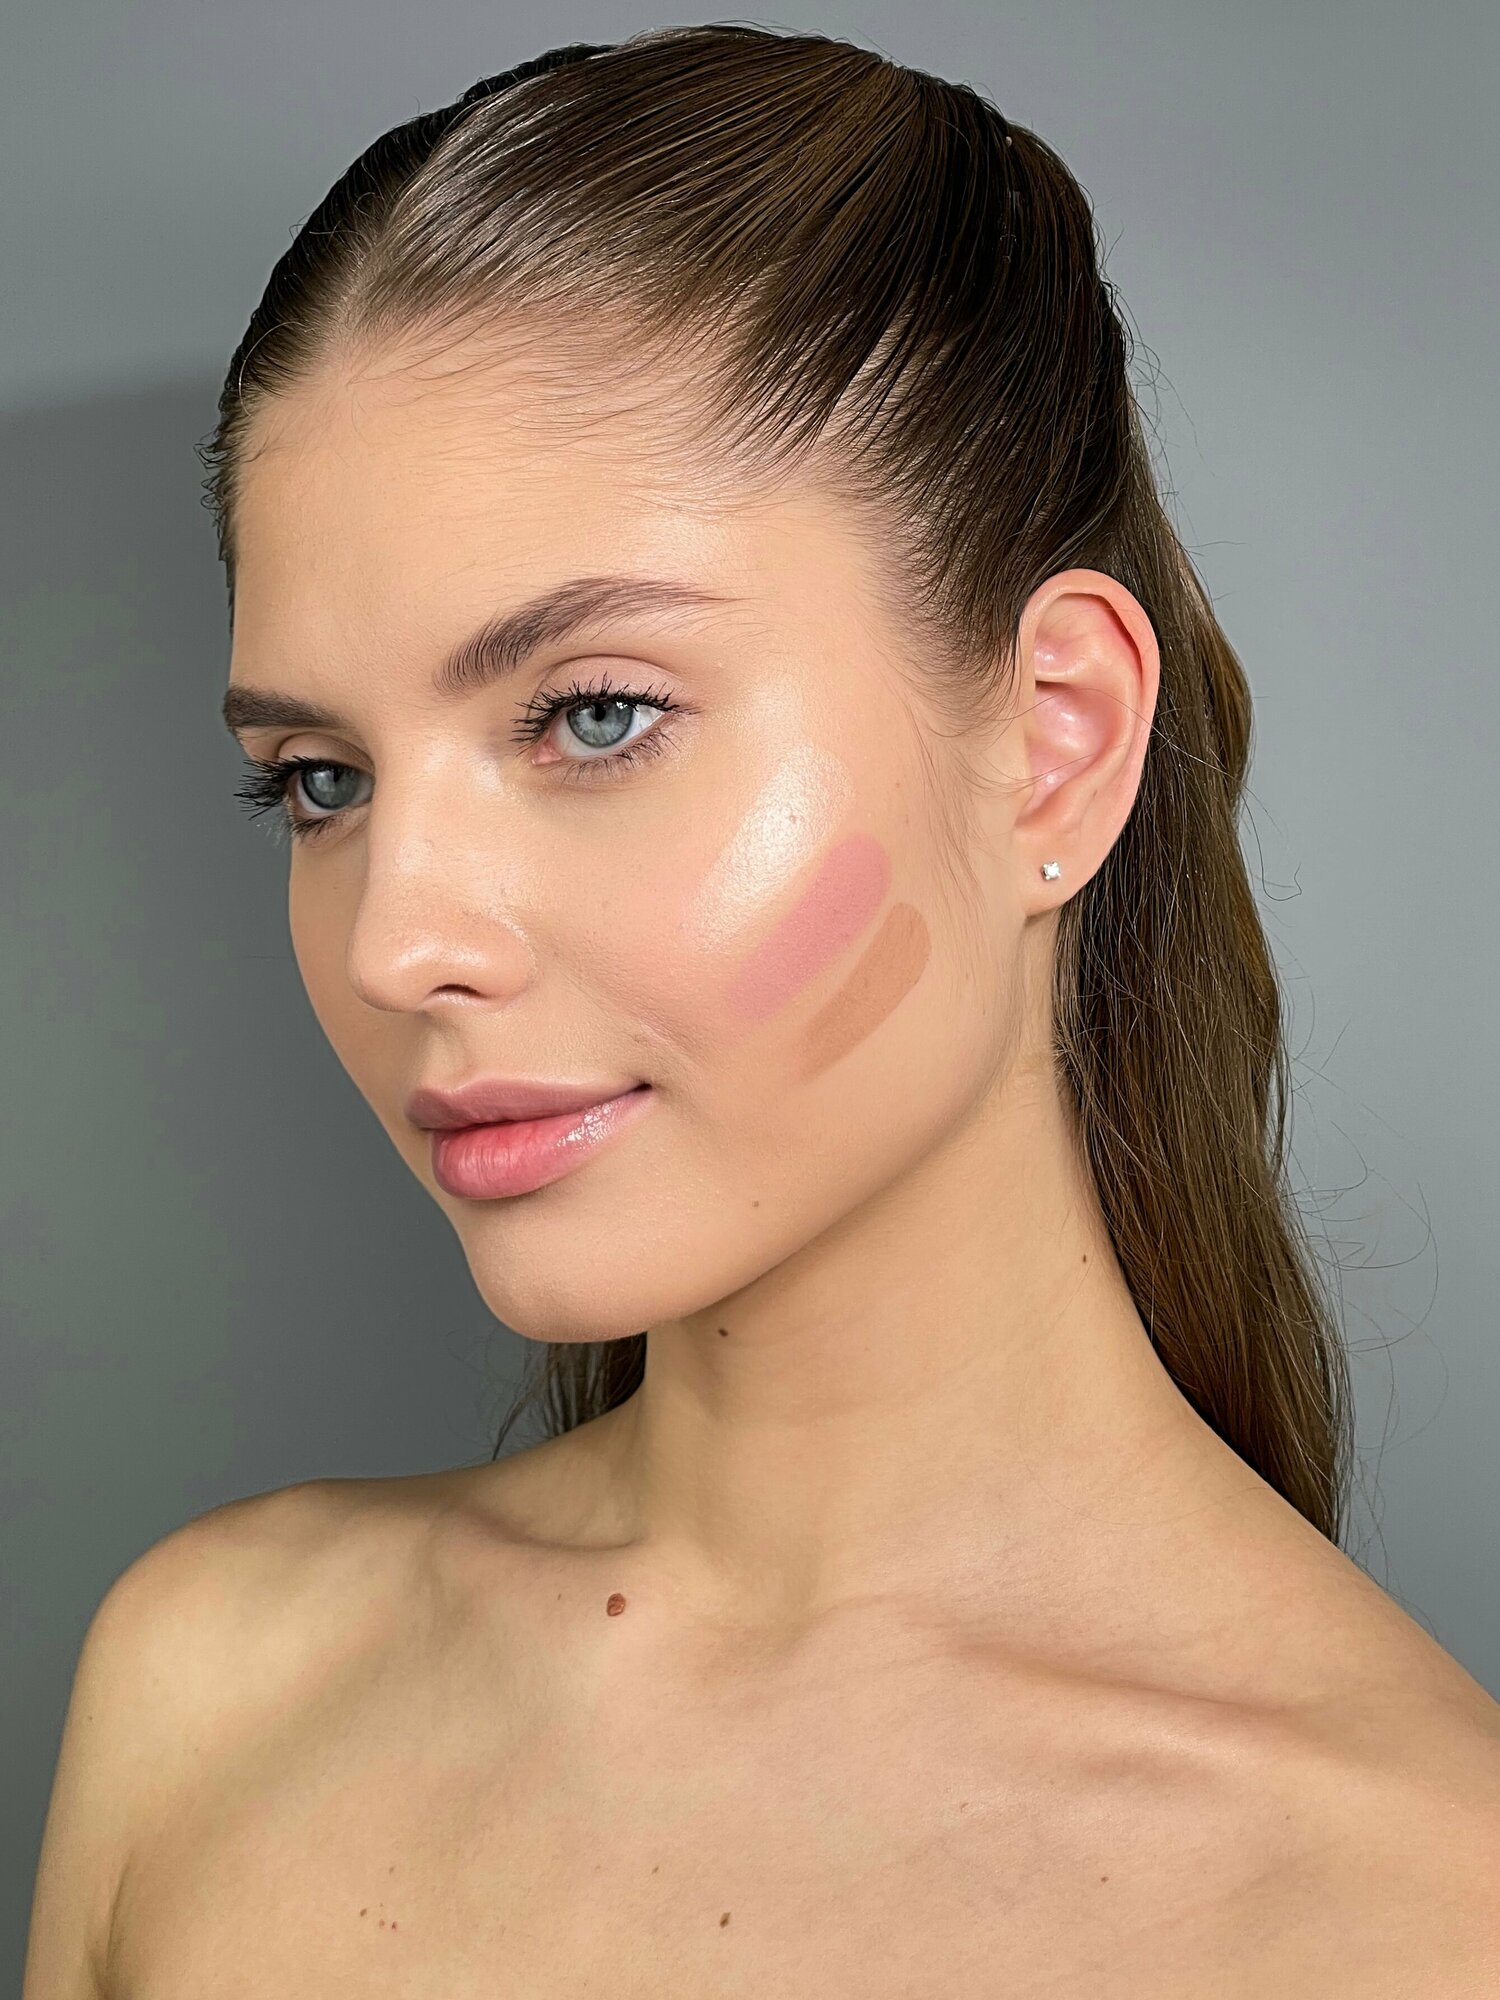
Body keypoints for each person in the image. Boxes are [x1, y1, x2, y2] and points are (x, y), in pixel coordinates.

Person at [24, 24, 1499, 1996]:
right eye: (322, 780)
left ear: (1055, 746)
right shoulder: (206, 1687)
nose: (395, 942)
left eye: (593, 714)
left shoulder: (1414, 1908)